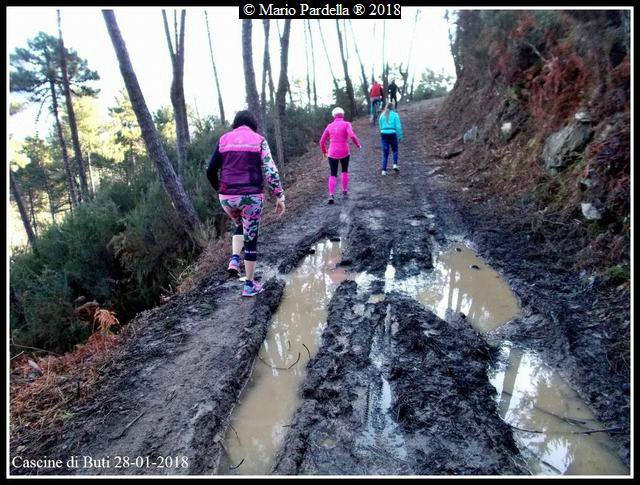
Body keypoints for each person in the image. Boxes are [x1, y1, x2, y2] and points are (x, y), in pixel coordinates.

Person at [207, 111, 285, 297]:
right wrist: (279, 195)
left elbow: (210, 170)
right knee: (251, 238)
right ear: (253, 125)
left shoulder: (224, 139)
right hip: (251, 196)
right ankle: (249, 285)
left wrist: (220, 190)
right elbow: (270, 171)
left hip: (226, 197)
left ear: (235, 124)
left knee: (241, 225)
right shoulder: (259, 140)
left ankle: (234, 259)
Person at [319, 107, 362, 204]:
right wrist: (357, 144)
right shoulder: (347, 124)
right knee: (344, 170)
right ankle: (344, 190)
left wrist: (324, 152)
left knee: (333, 173)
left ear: (333, 116)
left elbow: (321, 141)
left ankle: (331, 195)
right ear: (343, 115)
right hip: (344, 151)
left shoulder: (329, 126)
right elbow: (352, 135)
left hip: (332, 153)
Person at [379, 103, 403, 175]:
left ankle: (383, 171)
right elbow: (398, 126)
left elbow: (380, 126)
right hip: (392, 133)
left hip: (384, 134)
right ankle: (395, 165)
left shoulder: (382, 115)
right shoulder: (395, 115)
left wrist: (382, 133)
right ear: (392, 108)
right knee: (395, 150)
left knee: (385, 153)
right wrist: (400, 136)